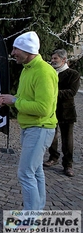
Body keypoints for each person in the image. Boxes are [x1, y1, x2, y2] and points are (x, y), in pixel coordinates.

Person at [0, 31, 58, 210]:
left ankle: (30, 218)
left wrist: (14, 101)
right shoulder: (28, 69)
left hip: (40, 128)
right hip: (31, 128)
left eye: (16, 49)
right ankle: (37, 210)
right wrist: (9, 99)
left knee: (25, 173)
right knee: (36, 171)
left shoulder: (44, 72)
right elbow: (26, 99)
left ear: (28, 51)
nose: (13, 53)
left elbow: (43, 108)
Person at [43, 49, 80, 177]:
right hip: (51, 110)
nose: (52, 61)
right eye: (52, 58)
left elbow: (71, 92)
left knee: (67, 139)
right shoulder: (49, 72)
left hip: (66, 111)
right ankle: (53, 157)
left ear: (64, 60)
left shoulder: (73, 74)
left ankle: (68, 164)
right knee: (52, 136)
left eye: (55, 59)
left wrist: (52, 93)